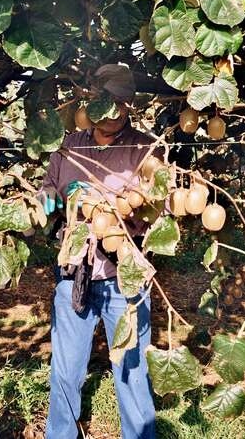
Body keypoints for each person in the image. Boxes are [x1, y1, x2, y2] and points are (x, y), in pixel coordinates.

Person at [42, 64, 160, 439]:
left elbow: (164, 204)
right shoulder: (68, 145)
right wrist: (47, 198)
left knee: (132, 368)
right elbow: (48, 187)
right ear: (91, 103)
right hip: (73, 273)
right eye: (105, 104)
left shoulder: (145, 150)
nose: (113, 113)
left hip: (124, 277)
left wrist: (127, 204)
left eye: (121, 105)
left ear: (128, 105)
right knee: (64, 369)